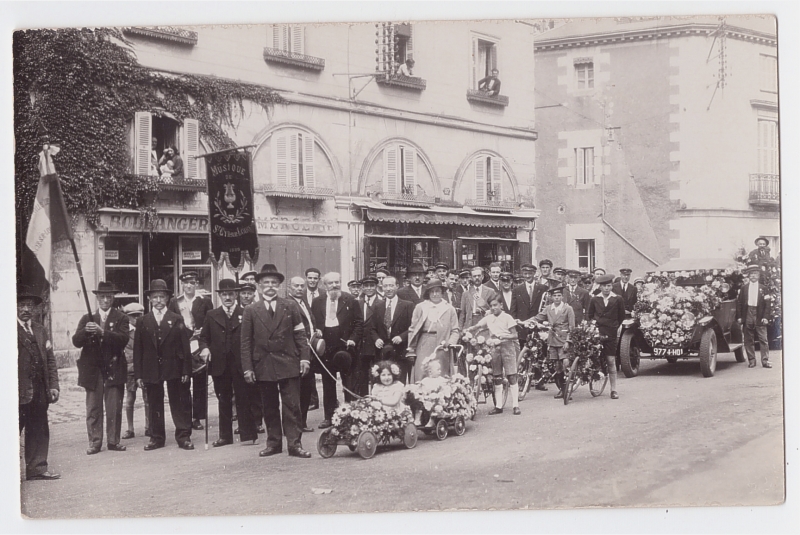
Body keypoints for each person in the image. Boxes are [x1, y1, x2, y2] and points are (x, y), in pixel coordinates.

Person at [241, 264, 312, 458]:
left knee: (292, 406)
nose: (270, 286)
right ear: (258, 286)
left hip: (288, 362)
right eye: (266, 283)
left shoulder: (290, 306)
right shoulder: (251, 310)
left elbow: (300, 335)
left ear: (280, 285)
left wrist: (305, 358)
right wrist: (248, 368)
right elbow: (245, 342)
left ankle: (294, 444)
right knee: (269, 406)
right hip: (264, 365)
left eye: (274, 283)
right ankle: (273, 443)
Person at [134, 279, 194, 450]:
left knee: (178, 401)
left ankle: (183, 436)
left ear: (168, 299)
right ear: (150, 299)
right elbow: (138, 350)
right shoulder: (143, 321)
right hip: (151, 369)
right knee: (154, 403)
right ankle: (157, 437)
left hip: (173, 367)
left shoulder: (176, 319)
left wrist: (186, 370)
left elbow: (185, 347)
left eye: (162, 297)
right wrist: (139, 375)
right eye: (155, 297)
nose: (159, 300)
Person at [198, 279, 259, 447]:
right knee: (223, 399)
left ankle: (248, 434)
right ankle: (225, 436)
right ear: (220, 296)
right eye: (224, 294)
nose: (227, 298)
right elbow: (203, 338)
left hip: (240, 363)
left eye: (231, 294)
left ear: (236, 295)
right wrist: (204, 349)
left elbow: (253, 338)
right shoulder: (212, 315)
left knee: (243, 398)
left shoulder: (246, 312)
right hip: (220, 363)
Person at [72, 281, 130, 454]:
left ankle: (113, 441)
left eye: (109, 296)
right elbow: (76, 341)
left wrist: (102, 333)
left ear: (113, 298)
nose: (106, 300)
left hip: (113, 366)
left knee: (113, 406)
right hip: (93, 369)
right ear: (97, 298)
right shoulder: (87, 318)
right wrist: (85, 332)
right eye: (102, 297)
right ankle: (95, 442)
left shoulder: (121, 317)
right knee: (93, 407)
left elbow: (123, 339)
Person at [18, 287, 61, 480]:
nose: (26, 309)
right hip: (17, 389)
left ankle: (37, 468)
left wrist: (53, 385)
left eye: (29, 305)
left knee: (39, 429)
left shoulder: (40, 329)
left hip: (39, 390)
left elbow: (50, 360)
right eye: (21, 305)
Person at [311, 272, 363, 429]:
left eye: (337, 282)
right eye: (331, 283)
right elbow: (314, 322)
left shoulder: (350, 299)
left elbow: (359, 323)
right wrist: (317, 332)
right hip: (326, 347)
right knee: (328, 383)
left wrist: (353, 339)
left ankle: (350, 415)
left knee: (348, 381)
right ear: (324, 285)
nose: (334, 285)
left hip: (346, 346)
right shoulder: (317, 301)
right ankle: (329, 416)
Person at [168, 271, 214, 431]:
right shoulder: (175, 302)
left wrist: (202, 334)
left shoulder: (205, 301)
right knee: (184, 382)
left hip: (199, 346)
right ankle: (186, 415)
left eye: (192, 283)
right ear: (182, 284)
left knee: (200, 384)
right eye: (186, 283)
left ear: (197, 284)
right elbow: (171, 323)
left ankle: (197, 417)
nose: (189, 286)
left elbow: (210, 321)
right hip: (182, 346)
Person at [465, 295, 520, 415]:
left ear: (501, 305)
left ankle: (515, 405)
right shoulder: (489, 318)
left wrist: (503, 336)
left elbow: (514, 335)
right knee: (497, 377)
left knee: (511, 376)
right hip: (494, 348)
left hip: (507, 347)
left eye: (496, 305)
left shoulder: (507, 317)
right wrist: (468, 330)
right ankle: (498, 406)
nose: (493, 308)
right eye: (491, 306)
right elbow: (478, 326)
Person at [407, 280, 460, 382]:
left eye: (438, 291)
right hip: (424, 343)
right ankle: (420, 397)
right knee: (422, 372)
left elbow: (455, 330)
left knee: (441, 373)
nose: (435, 294)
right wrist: (411, 349)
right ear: (428, 293)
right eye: (432, 292)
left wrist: (450, 342)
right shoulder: (421, 307)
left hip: (442, 345)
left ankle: (440, 397)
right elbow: (412, 329)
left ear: (442, 293)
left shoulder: (449, 309)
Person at [286, 276, 321, 432]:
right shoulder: (287, 304)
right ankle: (293, 425)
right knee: (296, 391)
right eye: (296, 286)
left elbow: (309, 322)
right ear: (289, 288)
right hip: (297, 353)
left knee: (307, 389)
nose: (300, 288)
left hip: (310, 352)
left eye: (302, 286)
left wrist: (316, 329)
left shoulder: (303, 302)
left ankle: (302, 422)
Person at [530, 287, 575, 400]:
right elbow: (537, 318)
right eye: (554, 296)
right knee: (557, 366)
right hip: (552, 340)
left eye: (559, 296)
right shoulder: (548, 308)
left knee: (565, 363)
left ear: (562, 297)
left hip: (563, 340)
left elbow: (572, 327)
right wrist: (525, 321)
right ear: (551, 297)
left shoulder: (568, 309)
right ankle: (562, 389)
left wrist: (568, 341)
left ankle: (567, 387)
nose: (557, 298)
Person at [586, 274, 625, 399]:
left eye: (609, 286)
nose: (607, 289)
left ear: (611, 286)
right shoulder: (594, 299)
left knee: (611, 361)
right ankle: (596, 377)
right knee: (595, 358)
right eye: (604, 286)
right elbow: (590, 315)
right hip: (597, 332)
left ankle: (613, 390)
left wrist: (613, 326)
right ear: (600, 287)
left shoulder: (618, 299)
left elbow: (621, 316)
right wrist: (594, 327)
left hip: (611, 333)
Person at [368, 276, 415, 381]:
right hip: (383, 352)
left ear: (397, 286)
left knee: (399, 383)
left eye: (391, 285)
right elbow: (372, 328)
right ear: (382, 287)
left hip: (401, 352)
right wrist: (376, 339)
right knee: (383, 383)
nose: (388, 289)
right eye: (385, 286)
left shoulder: (407, 305)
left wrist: (402, 337)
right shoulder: (378, 306)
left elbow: (413, 327)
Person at [237, 281, 265, 434]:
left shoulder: (257, 310)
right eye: (243, 293)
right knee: (240, 392)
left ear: (254, 294)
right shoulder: (234, 311)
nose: (246, 296)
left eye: (249, 293)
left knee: (255, 391)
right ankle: (243, 423)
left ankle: (258, 421)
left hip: (254, 356)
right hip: (238, 356)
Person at [122, 303, 149, 440]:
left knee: (147, 398)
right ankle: (130, 428)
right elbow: (126, 352)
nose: (136, 319)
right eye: (133, 316)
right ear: (127, 317)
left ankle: (148, 426)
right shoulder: (126, 332)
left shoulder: (146, 329)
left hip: (145, 370)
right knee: (130, 399)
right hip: (131, 370)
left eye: (139, 315)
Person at [737, 264, 771, 368]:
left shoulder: (763, 288)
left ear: (759, 275)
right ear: (748, 276)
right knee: (748, 338)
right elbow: (739, 303)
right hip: (748, 313)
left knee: (763, 338)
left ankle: (765, 361)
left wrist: (765, 317)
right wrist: (739, 317)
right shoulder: (744, 288)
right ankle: (751, 360)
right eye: (751, 274)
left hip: (759, 314)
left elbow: (767, 304)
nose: (753, 276)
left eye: (755, 274)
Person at [356, 275, 383, 396]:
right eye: (366, 286)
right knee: (361, 375)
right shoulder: (358, 303)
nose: (369, 288)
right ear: (362, 287)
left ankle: (376, 399)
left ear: (376, 287)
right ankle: (364, 400)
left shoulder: (382, 303)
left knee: (376, 373)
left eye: (372, 286)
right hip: (361, 345)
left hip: (375, 344)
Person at [512, 263, 548, 350]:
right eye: (525, 273)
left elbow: (546, 308)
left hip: (538, 326)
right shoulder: (517, 289)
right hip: (522, 327)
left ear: (534, 273)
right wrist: (515, 325)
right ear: (522, 274)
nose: (527, 276)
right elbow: (513, 309)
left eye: (530, 273)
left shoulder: (543, 288)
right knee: (522, 353)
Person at [459, 266, 497, 331]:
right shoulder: (465, 294)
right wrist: (460, 329)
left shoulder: (491, 291)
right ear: (471, 278)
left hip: (485, 325)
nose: (477, 278)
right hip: (469, 325)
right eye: (474, 276)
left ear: (482, 277)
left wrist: (489, 311)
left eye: (479, 275)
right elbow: (462, 313)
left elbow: (496, 309)